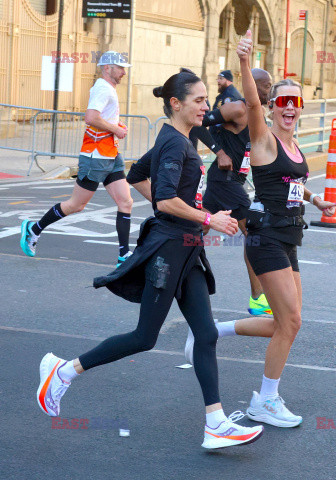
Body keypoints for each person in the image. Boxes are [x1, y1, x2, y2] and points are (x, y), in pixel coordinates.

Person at [36, 68, 264, 450]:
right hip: (170, 251)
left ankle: (216, 423)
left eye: (207, 100)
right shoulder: (176, 144)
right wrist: (207, 217)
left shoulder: (172, 138)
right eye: (198, 100)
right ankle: (63, 371)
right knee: (145, 337)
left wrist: (176, 214)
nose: (206, 107)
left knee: (205, 334)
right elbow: (163, 196)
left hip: (186, 248)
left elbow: (139, 175)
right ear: (176, 103)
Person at [185, 32, 336, 429]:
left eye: (295, 102)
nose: (289, 108)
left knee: (287, 321)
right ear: (272, 108)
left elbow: (289, 185)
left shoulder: (294, 145)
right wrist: (244, 59)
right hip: (266, 238)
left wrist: (315, 200)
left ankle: (209, 331)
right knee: (290, 323)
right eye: (282, 101)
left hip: (288, 239)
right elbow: (251, 100)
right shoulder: (264, 138)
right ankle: (264, 401)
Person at [20, 51, 134, 266]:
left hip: (110, 153)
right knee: (76, 205)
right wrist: (115, 130)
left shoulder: (107, 88)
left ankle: (123, 255)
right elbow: (90, 118)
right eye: (120, 68)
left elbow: (101, 119)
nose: (123, 72)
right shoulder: (102, 88)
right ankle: (33, 229)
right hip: (95, 156)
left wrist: (115, 128)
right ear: (107, 68)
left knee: (125, 201)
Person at [201, 68, 273, 315]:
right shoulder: (238, 108)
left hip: (231, 181)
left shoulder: (258, 114)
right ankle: (257, 299)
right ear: (253, 85)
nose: (270, 90)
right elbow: (198, 122)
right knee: (254, 231)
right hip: (225, 179)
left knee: (196, 228)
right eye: (267, 85)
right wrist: (219, 152)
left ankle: (164, 263)